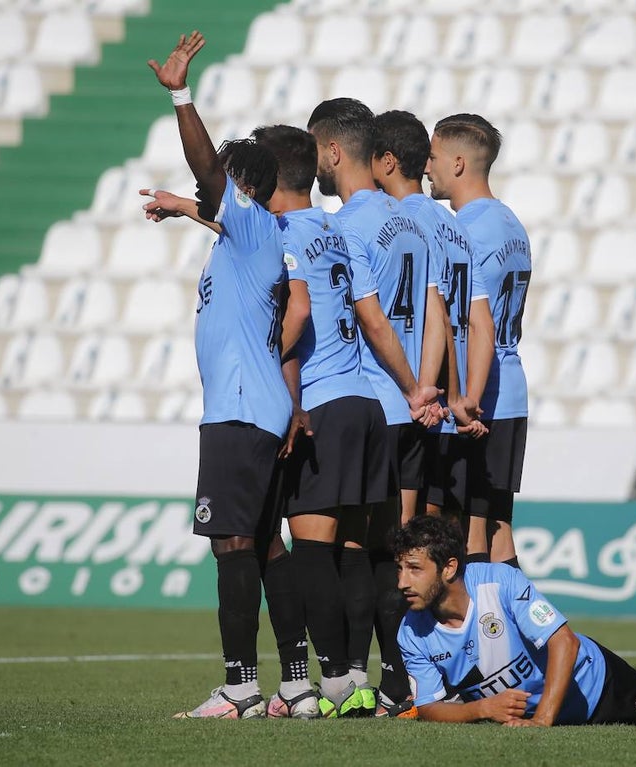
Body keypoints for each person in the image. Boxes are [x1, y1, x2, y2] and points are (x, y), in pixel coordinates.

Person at [140, 31, 310, 721]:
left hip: (239, 410)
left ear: (243, 188)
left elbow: (207, 170)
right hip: (257, 406)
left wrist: (181, 95)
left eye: (222, 186)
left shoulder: (250, 223)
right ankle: (296, 684)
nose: (210, 190)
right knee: (267, 544)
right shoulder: (250, 238)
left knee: (232, 545)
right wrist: (185, 209)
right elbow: (211, 204)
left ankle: (240, 686)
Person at [249, 123, 439, 719]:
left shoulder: (280, 233)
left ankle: (331, 681)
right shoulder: (337, 230)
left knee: (312, 552)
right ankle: (359, 677)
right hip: (367, 404)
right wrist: (412, 387)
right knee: (358, 550)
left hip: (325, 403)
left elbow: (296, 314)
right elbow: (373, 318)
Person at [306, 97, 445, 717]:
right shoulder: (411, 220)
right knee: (394, 550)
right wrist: (428, 388)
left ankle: (359, 681)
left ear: (333, 151)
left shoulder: (348, 227)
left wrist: (410, 387)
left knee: (358, 552)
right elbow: (437, 312)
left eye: (315, 150)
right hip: (412, 408)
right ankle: (400, 678)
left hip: (376, 399)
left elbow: (370, 319)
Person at [392, 515, 636, 727]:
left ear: (449, 568)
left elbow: (564, 641)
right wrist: (481, 709)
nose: (402, 582)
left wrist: (542, 720)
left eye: (414, 569)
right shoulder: (411, 632)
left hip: (592, 686)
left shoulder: (498, 583)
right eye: (400, 569)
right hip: (535, 710)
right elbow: (429, 707)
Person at [370, 110, 494, 521]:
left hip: (421, 399)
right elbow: (477, 320)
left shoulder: (402, 220)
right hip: (444, 398)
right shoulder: (454, 225)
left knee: (403, 533)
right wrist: (460, 395)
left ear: (386, 160)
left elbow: (437, 311)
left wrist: (441, 393)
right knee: (442, 529)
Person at [425, 114, 532, 566]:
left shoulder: (465, 231)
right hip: (510, 389)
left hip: (477, 398)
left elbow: (466, 321)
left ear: (458, 163)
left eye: (432, 157)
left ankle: (486, 614)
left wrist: (461, 397)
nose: (426, 167)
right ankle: (520, 613)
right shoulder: (512, 224)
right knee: (498, 531)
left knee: (465, 537)